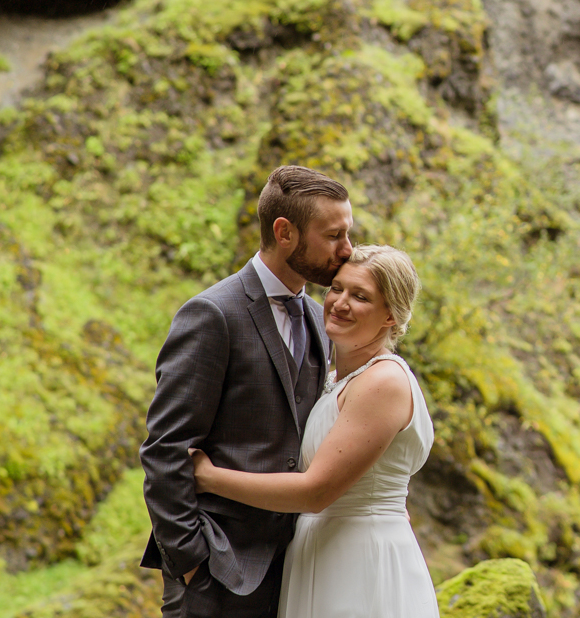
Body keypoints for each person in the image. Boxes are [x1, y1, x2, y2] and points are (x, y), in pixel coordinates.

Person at [140, 165, 354, 618]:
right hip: (217, 571)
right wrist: (191, 563)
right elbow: (165, 450)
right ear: (285, 232)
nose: (347, 249)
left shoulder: (322, 320)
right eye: (333, 235)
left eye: (347, 233)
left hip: (298, 572)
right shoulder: (211, 314)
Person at [190, 244, 439, 618]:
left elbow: (316, 492)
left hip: (359, 559)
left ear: (390, 315)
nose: (340, 303)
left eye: (360, 296)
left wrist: (208, 477)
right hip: (320, 550)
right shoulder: (334, 377)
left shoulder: (383, 382)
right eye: (336, 288)